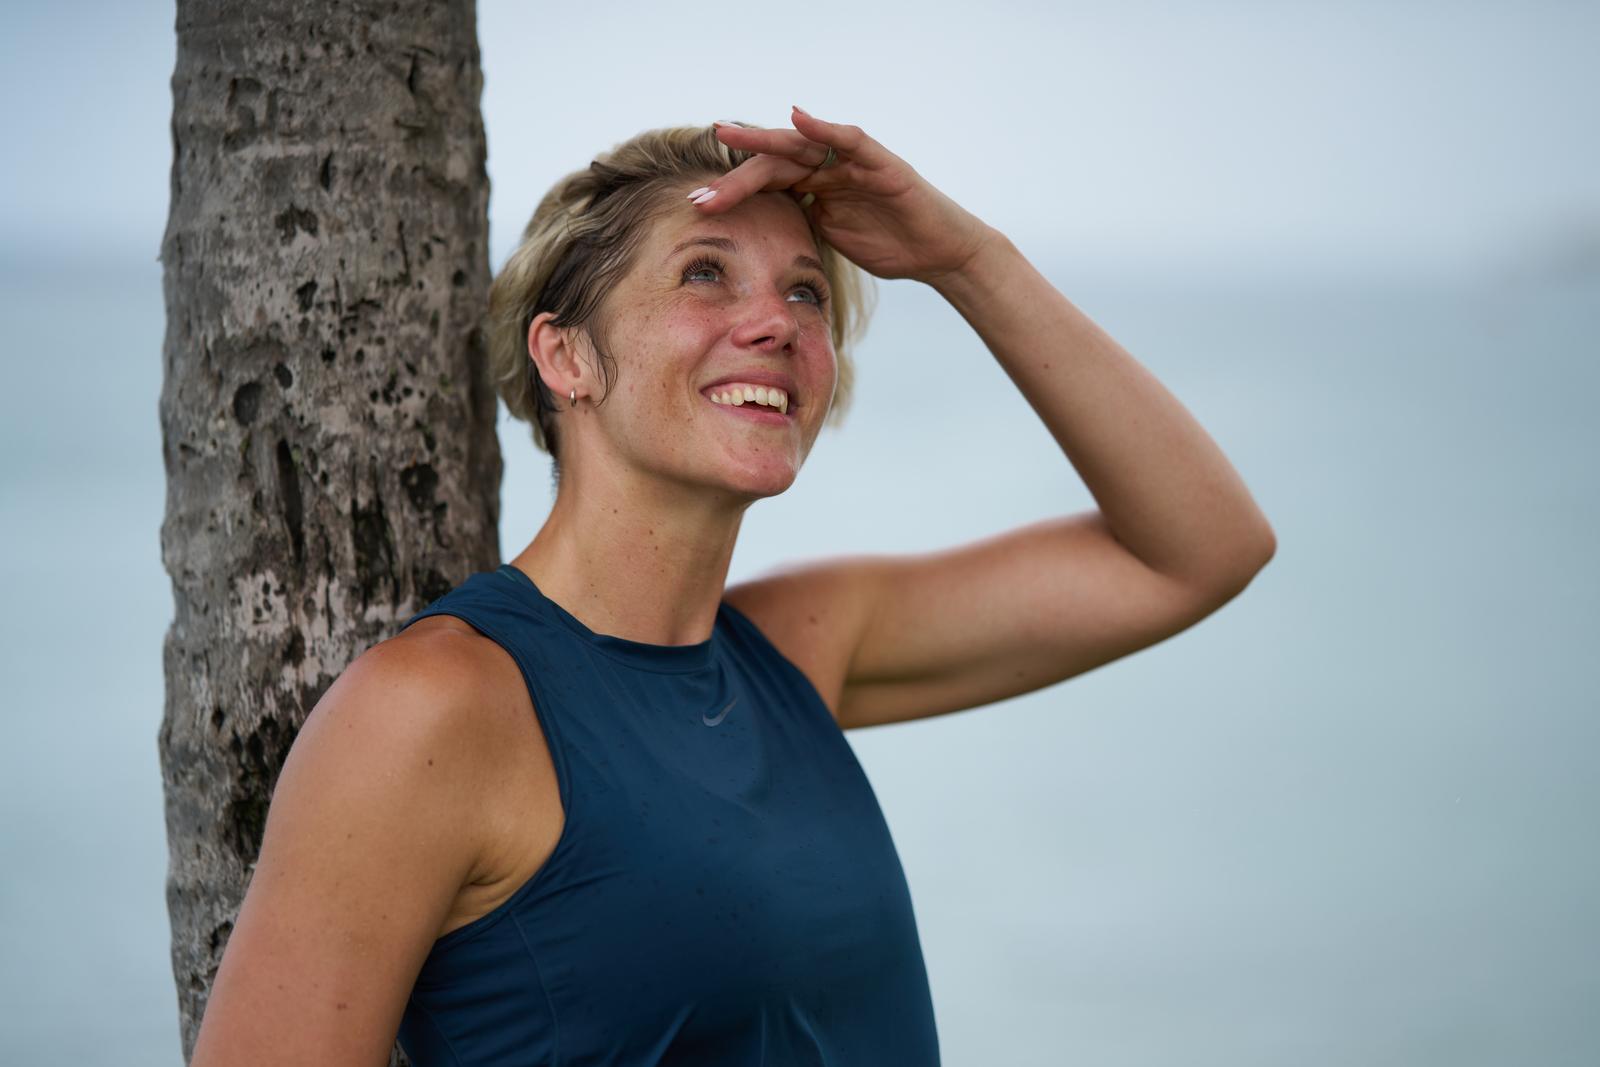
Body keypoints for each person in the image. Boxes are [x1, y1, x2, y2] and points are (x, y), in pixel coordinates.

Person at [189, 107, 1276, 1065]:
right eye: (705, 272)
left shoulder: (798, 647)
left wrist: (964, 258)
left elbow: (1200, 548)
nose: (778, 321)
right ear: (567, 357)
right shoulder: (431, 710)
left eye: (805, 291)